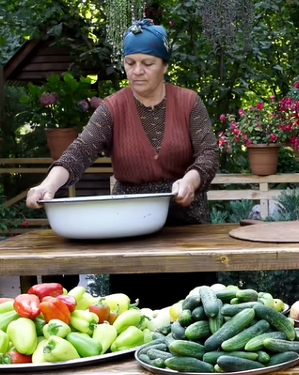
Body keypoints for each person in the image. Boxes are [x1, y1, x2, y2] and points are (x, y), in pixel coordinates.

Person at [26, 19, 219, 306]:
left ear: (165, 65)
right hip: (130, 233)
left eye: (147, 63)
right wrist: (48, 185)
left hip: (186, 228)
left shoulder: (189, 102)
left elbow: (208, 153)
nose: (137, 71)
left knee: (193, 319)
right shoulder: (113, 108)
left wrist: (191, 180)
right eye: (130, 63)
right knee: (135, 319)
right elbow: (81, 151)